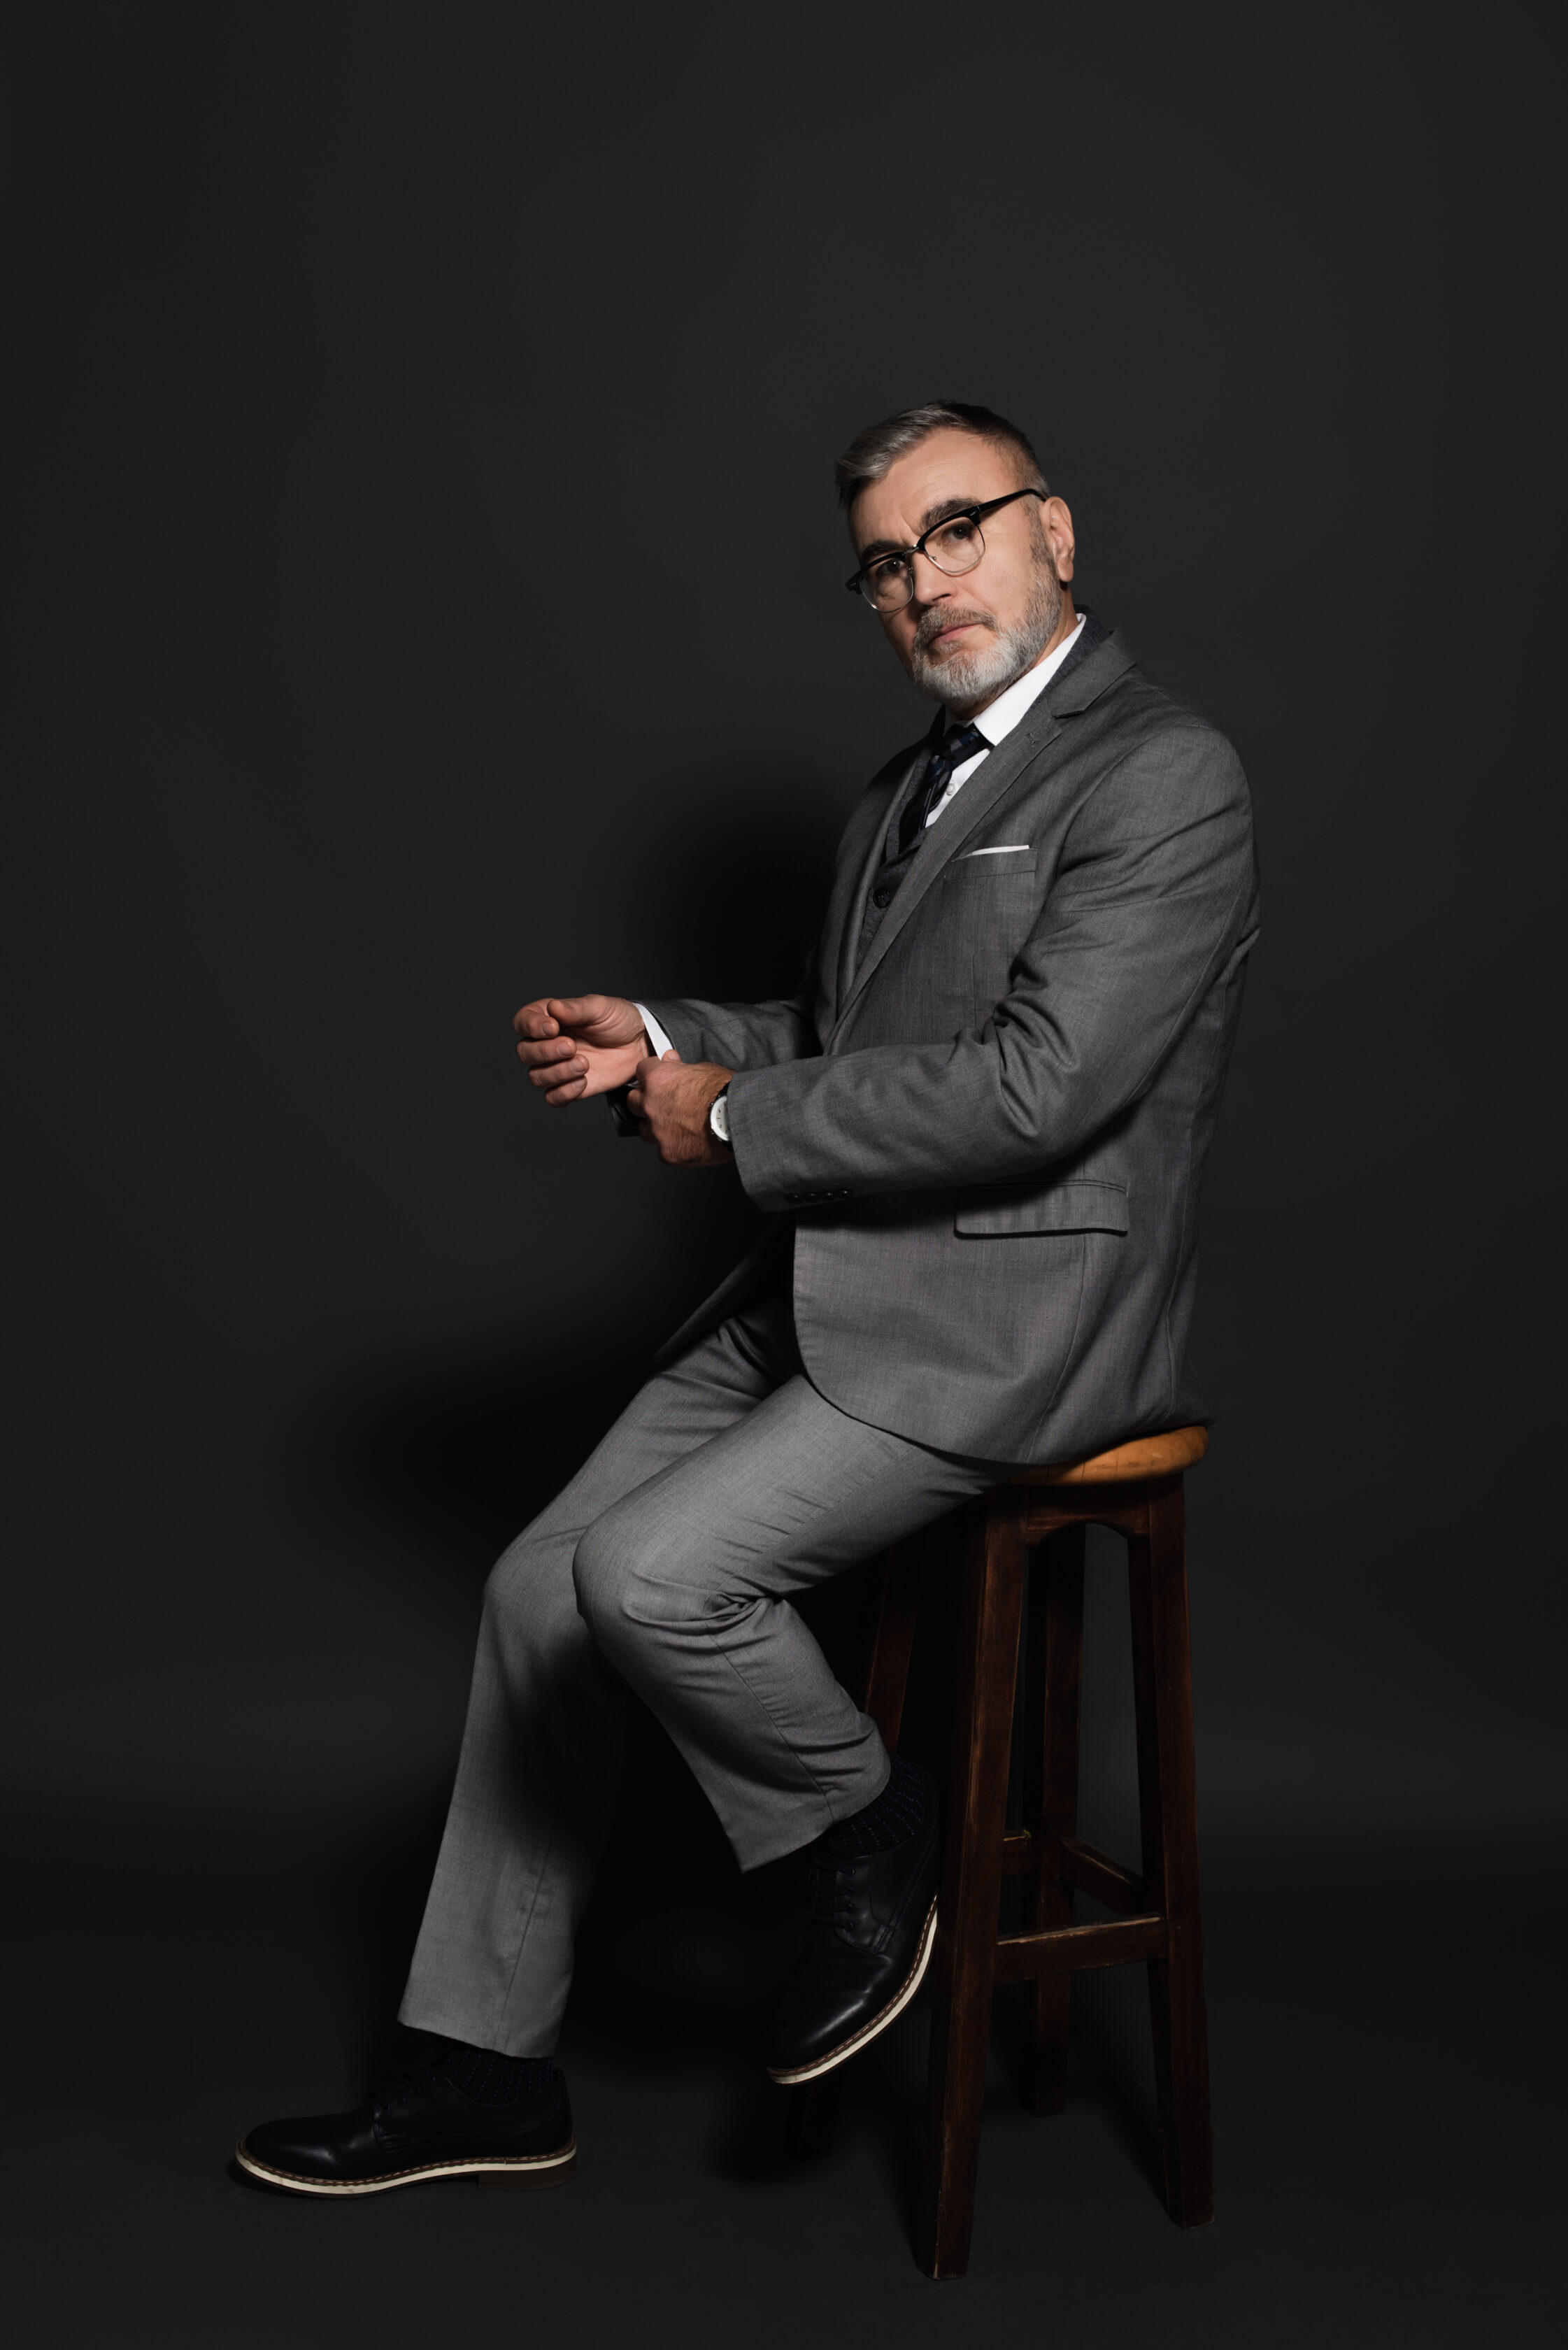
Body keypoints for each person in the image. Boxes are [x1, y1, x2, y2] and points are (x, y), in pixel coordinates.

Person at [238, 400, 1260, 2196]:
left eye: (958, 530)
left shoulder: (1162, 774)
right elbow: (849, 1045)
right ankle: (480, 2067)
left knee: (652, 1579)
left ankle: (865, 1828)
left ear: (1056, 533)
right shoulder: (903, 791)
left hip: (1010, 1325)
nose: (925, 581)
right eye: (885, 560)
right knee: (538, 1593)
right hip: (825, 1281)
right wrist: (664, 1041)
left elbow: (1040, 1088)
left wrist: (729, 1119)